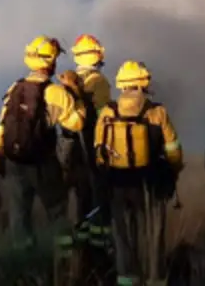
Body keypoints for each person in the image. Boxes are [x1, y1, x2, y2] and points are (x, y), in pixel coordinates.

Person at [0, 36, 85, 275]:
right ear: (52, 61)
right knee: (57, 212)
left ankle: (23, 266)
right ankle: (64, 265)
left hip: (14, 163)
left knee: (19, 216)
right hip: (43, 164)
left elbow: (2, 128)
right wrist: (76, 93)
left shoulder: (14, 88)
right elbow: (76, 124)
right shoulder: (55, 92)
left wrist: (2, 159)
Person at [93, 60, 183, 286]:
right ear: (144, 82)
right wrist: (173, 171)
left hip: (118, 184)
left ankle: (127, 279)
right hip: (150, 184)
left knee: (124, 239)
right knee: (154, 236)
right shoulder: (157, 112)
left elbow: (98, 150)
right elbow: (173, 149)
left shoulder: (107, 112)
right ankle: (155, 278)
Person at [69, 34, 113, 260]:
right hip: (92, 147)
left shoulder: (69, 80)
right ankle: (98, 254)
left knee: (81, 198)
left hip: (71, 150)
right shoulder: (99, 81)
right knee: (99, 198)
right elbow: (105, 118)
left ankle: (80, 246)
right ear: (98, 54)